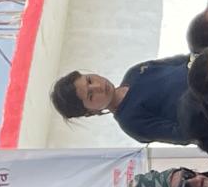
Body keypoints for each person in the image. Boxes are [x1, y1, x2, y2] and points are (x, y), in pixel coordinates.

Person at [51, 58, 192, 145]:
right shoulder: (131, 122)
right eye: (91, 95)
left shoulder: (135, 72)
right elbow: (185, 133)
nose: (98, 87)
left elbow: (185, 60)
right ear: (91, 112)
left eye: (89, 80)